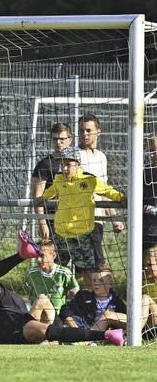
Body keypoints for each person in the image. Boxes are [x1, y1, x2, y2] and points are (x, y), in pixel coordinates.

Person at [40, 147, 125, 284]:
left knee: (87, 271)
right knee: (57, 270)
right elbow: (49, 193)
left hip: (82, 235)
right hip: (61, 234)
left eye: (68, 164)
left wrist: (121, 197)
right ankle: (60, 300)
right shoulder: (59, 179)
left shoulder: (89, 180)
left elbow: (107, 191)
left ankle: (89, 300)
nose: (65, 168)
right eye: (62, 164)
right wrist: (40, 199)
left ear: (77, 164)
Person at [78, 114, 124, 272]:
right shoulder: (75, 155)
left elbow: (104, 189)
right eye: (81, 130)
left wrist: (114, 217)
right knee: (90, 264)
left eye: (88, 130)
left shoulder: (101, 157)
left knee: (94, 263)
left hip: (97, 218)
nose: (85, 134)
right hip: (78, 218)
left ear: (98, 131)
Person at [59, 269, 157, 339]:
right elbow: (64, 311)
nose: (96, 284)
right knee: (107, 315)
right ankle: (87, 340)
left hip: (105, 331)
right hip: (86, 331)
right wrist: (75, 328)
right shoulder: (84, 295)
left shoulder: (117, 302)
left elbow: (124, 319)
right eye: (94, 280)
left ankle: (135, 335)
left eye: (101, 281)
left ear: (110, 283)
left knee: (145, 298)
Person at [31, 122, 73, 240]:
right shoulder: (44, 164)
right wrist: (42, 223)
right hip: (52, 219)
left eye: (62, 139)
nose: (58, 142)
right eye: (55, 139)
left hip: (74, 219)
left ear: (70, 139)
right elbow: (38, 196)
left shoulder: (77, 162)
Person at [25, 239, 79, 324]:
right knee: (40, 299)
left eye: (42, 256)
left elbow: (76, 295)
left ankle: (27, 327)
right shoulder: (32, 273)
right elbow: (29, 294)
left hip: (57, 317)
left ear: (53, 256)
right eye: (37, 255)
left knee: (42, 298)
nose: (38, 259)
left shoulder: (64, 273)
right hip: (38, 315)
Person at [142, 136, 157, 303]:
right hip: (146, 230)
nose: (153, 153)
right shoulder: (145, 171)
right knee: (147, 267)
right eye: (152, 149)